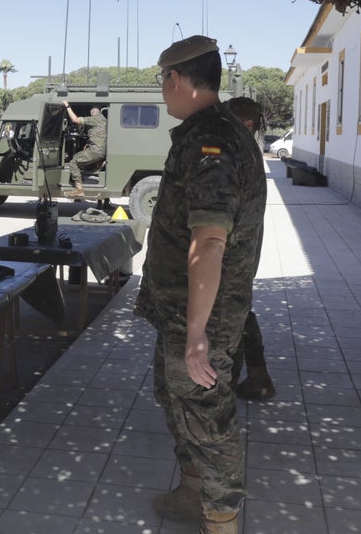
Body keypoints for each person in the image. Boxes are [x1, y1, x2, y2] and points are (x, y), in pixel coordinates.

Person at [135, 36, 266, 534]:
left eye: (162, 80)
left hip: (202, 313)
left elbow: (209, 242)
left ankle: (221, 519)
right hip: (182, 309)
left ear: (176, 79)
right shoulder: (211, 132)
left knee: (208, 417)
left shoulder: (212, 140)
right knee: (177, 401)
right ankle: (194, 493)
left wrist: (196, 334)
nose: (162, 90)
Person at [223, 96, 275, 401]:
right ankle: (258, 375)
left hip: (235, 251)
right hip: (243, 247)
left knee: (232, 316)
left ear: (246, 124)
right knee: (240, 312)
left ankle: (229, 383)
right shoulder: (249, 153)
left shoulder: (240, 155)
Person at [62, 102, 107, 198]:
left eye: (91, 111)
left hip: (96, 151)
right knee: (78, 157)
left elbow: (75, 120)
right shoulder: (104, 120)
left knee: (73, 162)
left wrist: (67, 106)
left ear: (92, 112)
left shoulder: (94, 119)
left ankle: (79, 189)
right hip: (101, 150)